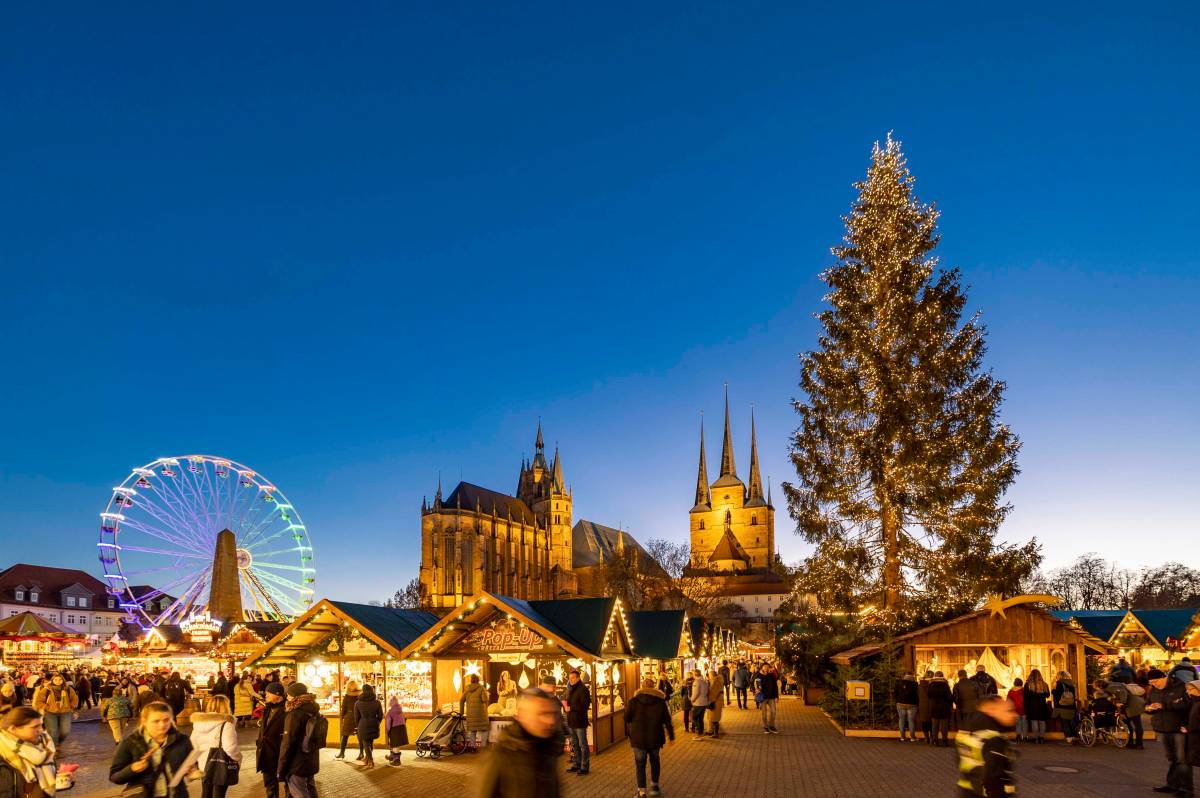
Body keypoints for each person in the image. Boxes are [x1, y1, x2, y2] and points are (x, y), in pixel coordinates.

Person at [476, 688, 563, 798]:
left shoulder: (549, 748)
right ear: (522, 715)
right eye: (543, 714)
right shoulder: (503, 753)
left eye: (553, 714)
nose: (550, 721)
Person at [110, 701, 196, 798]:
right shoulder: (130, 743)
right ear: (144, 721)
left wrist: (191, 771)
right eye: (156, 721)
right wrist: (132, 768)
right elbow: (114, 777)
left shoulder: (182, 740)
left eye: (166, 720)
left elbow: (191, 766)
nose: (162, 725)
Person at [955, 695, 1017, 798]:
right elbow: (993, 779)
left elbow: (960, 761)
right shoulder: (995, 739)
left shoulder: (964, 732)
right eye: (1009, 711)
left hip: (967, 791)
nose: (1015, 715)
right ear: (991, 711)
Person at [625, 677, 674, 798]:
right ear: (653, 687)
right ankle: (655, 787)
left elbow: (626, 718)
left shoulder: (633, 701)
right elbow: (667, 720)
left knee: (640, 764)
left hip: (638, 738)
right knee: (655, 761)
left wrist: (630, 731)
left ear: (642, 687)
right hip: (655, 738)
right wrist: (671, 736)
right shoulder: (660, 701)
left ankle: (641, 792)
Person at [1145, 667, 1191, 796]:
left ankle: (1186, 789)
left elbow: (1186, 704)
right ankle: (1172, 784)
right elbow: (1147, 703)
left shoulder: (1180, 687)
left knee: (1182, 759)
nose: (1153, 685)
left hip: (1178, 728)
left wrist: (1164, 706)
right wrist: (1148, 708)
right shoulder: (1153, 690)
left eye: (1155, 682)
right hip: (1162, 728)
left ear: (1164, 678)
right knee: (1172, 758)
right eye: (1151, 683)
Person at [189, 695, 240, 798]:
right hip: (220, 764)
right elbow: (230, 748)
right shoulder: (226, 724)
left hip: (204, 764)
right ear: (226, 706)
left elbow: (192, 744)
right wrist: (238, 759)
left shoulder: (199, 723)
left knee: (206, 794)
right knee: (218, 794)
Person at [0, 707, 57, 798]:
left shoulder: (44, 747)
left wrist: (65, 780)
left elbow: (52, 779)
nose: (41, 730)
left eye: (41, 725)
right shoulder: (2, 755)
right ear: (13, 729)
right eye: (35, 727)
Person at [277, 682, 320, 798]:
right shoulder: (314, 710)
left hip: (297, 763)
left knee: (300, 792)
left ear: (295, 696)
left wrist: (281, 768)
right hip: (311, 758)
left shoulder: (295, 714)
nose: (287, 697)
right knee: (311, 788)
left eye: (289, 695)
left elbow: (288, 743)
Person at [1094, 678, 1145, 749]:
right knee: (1128, 724)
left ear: (1099, 686)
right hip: (1131, 705)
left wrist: (1122, 702)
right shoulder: (1111, 685)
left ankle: (1139, 744)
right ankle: (1130, 742)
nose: (1097, 690)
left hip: (1133, 705)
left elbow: (1123, 692)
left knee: (1137, 725)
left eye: (1096, 688)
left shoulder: (1110, 687)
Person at [256, 683, 286, 798]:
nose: (266, 695)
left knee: (288, 783)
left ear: (277, 694)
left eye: (269, 693)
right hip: (266, 752)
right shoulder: (268, 708)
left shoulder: (286, 709)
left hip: (279, 751)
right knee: (269, 784)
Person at [31, 674, 77, 749]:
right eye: (56, 680)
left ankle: (59, 742)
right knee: (52, 732)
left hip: (65, 712)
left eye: (60, 679)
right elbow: (39, 701)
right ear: (52, 681)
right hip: (50, 713)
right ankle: (54, 746)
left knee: (65, 731)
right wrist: (46, 707)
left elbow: (74, 699)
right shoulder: (46, 690)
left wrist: (71, 706)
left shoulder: (68, 689)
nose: (58, 681)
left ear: (63, 680)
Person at [565, 670, 590, 776]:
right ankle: (576, 764)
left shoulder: (583, 689)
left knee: (583, 745)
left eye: (572, 678)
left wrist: (571, 708)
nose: (570, 680)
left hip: (580, 722)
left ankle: (584, 766)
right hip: (571, 721)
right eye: (569, 678)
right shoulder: (570, 689)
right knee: (575, 744)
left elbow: (585, 706)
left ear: (578, 678)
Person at [353, 684, 383, 769]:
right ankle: (367, 758)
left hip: (363, 724)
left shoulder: (358, 703)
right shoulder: (377, 702)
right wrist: (377, 722)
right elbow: (380, 715)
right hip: (374, 723)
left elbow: (356, 717)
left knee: (365, 743)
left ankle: (370, 760)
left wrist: (357, 725)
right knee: (370, 742)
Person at [460, 675, 490, 752]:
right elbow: (484, 700)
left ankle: (473, 748)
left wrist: (461, 712)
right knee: (484, 729)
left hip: (470, 714)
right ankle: (483, 747)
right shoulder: (481, 688)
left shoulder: (467, 689)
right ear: (478, 680)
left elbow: (461, 700)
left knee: (472, 731)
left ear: (471, 680)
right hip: (481, 714)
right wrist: (486, 694)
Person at [333, 681, 361, 761]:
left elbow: (344, 708)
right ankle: (361, 753)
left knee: (344, 736)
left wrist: (342, 717)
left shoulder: (347, 696)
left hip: (349, 716)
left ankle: (342, 753)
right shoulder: (360, 695)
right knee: (360, 736)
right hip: (358, 717)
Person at [1022, 670, 1050, 744]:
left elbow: (1025, 697)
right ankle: (1042, 738)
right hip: (1042, 705)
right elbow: (1047, 695)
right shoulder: (1044, 684)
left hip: (1032, 706)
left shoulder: (1028, 685)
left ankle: (1036, 738)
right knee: (1042, 722)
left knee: (1034, 722)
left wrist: (1026, 706)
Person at [1050, 670, 1078, 743]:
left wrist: (1053, 691)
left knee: (1065, 722)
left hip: (1063, 706)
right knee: (1071, 722)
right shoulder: (1072, 684)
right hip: (1071, 705)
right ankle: (1074, 736)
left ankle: (1069, 737)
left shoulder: (1059, 683)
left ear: (1059, 676)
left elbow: (1058, 694)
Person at [928, 671, 953, 747]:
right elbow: (949, 697)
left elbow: (928, 695)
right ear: (942, 676)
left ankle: (935, 741)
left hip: (934, 707)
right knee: (944, 725)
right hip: (944, 707)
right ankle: (945, 741)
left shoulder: (931, 685)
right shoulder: (945, 685)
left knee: (935, 725)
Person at [894, 671, 919, 741]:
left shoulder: (899, 683)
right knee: (911, 720)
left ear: (905, 676)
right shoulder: (915, 684)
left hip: (900, 703)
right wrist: (917, 704)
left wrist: (897, 701)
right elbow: (917, 695)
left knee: (901, 719)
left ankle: (902, 737)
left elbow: (895, 693)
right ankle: (912, 737)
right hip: (912, 704)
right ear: (912, 676)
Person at [757, 663, 780, 734]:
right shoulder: (758, 676)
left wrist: (776, 696)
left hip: (771, 697)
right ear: (762, 668)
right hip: (763, 697)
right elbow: (754, 684)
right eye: (764, 667)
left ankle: (771, 726)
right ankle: (765, 727)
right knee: (764, 713)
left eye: (767, 667)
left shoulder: (771, 675)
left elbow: (775, 686)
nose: (766, 668)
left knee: (773, 712)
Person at [385, 697, 407, 765]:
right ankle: (392, 757)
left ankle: (396, 760)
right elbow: (404, 718)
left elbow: (388, 723)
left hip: (394, 729)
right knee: (395, 744)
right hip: (401, 728)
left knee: (395, 744)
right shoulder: (400, 710)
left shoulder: (390, 712)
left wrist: (387, 731)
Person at [688, 669, 710, 740]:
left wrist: (691, 699)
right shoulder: (704, 681)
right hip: (704, 702)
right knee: (700, 719)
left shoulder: (696, 682)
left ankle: (699, 734)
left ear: (695, 675)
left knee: (694, 718)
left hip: (698, 703)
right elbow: (707, 691)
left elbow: (696, 693)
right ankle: (701, 733)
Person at [1005, 678, 1026, 742]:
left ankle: (1018, 736)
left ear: (1014, 683)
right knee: (1024, 724)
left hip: (1015, 709)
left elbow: (1008, 701)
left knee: (1018, 724)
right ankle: (1024, 737)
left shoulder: (1011, 691)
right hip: (1024, 709)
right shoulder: (1024, 690)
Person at [707, 669, 725, 739]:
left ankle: (716, 733)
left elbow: (714, 692)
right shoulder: (716, 680)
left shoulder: (716, 681)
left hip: (715, 701)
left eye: (709, 675)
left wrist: (711, 699)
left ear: (712, 675)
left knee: (714, 718)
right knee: (713, 717)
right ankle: (713, 732)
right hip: (716, 701)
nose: (708, 676)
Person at [917, 671, 934, 744]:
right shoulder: (932, 685)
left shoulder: (919, 685)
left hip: (922, 705)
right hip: (931, 705)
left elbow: (917, 695)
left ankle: (926, 737)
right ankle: (931, 738)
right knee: (932, 722)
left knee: (924, 722)